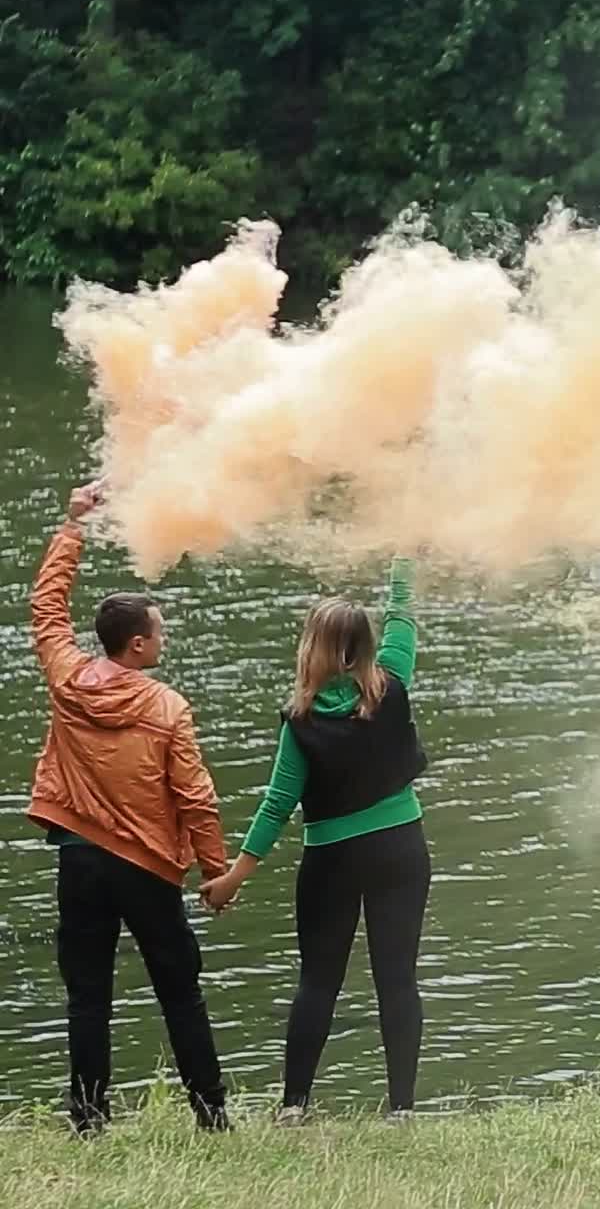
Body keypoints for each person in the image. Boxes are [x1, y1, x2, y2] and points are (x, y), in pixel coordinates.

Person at [28, 482, 230, 1135]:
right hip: (146, 869)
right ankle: (211, 1114)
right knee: (181, 992)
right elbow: (195, 797)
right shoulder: (166, 707)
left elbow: (46, 609)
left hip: (80, 861)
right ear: (137, 646)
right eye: (158, 631)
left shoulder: (66, 678)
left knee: (88, 995)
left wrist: (72, 526)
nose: (162, 637)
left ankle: (88, 1118)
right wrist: (215, 871)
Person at [201, 557, 430, 1123]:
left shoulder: (299, 718)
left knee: (318, 980)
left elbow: (278, 804)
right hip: (401, 847)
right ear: (368, 645)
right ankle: (401, 1108)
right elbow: (404, 612)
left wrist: (233, 877)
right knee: (397, 977)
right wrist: (403, 554)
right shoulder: (393, 680)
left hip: (332, 859)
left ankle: (294, 1106)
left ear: (315, 648)